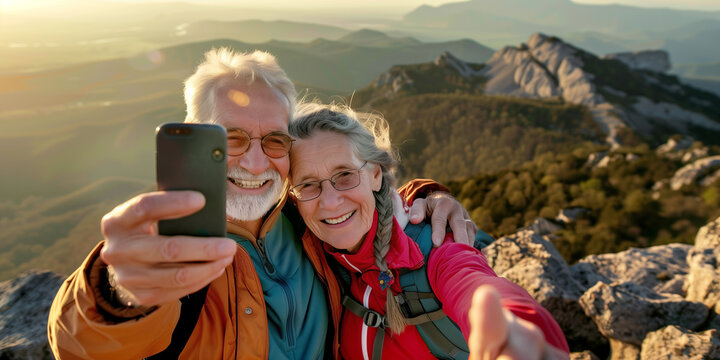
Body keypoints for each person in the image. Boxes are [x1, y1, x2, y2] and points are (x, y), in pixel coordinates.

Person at [47, 48, 478, 359]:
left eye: (274, 140)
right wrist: (121, 292)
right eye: (230, 138)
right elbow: (79, 343)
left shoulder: (310, 215)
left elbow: (358, 198)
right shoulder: (171, 242)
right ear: (198, 138)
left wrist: (430, 195)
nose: (255, 163)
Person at [288, 102, 570, 360]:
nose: (330, 201)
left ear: (375, 175)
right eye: (308, 184)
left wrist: (516, 334)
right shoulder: (307, 249)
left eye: (345, 175)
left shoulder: (434, 247)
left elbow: (470, 281)